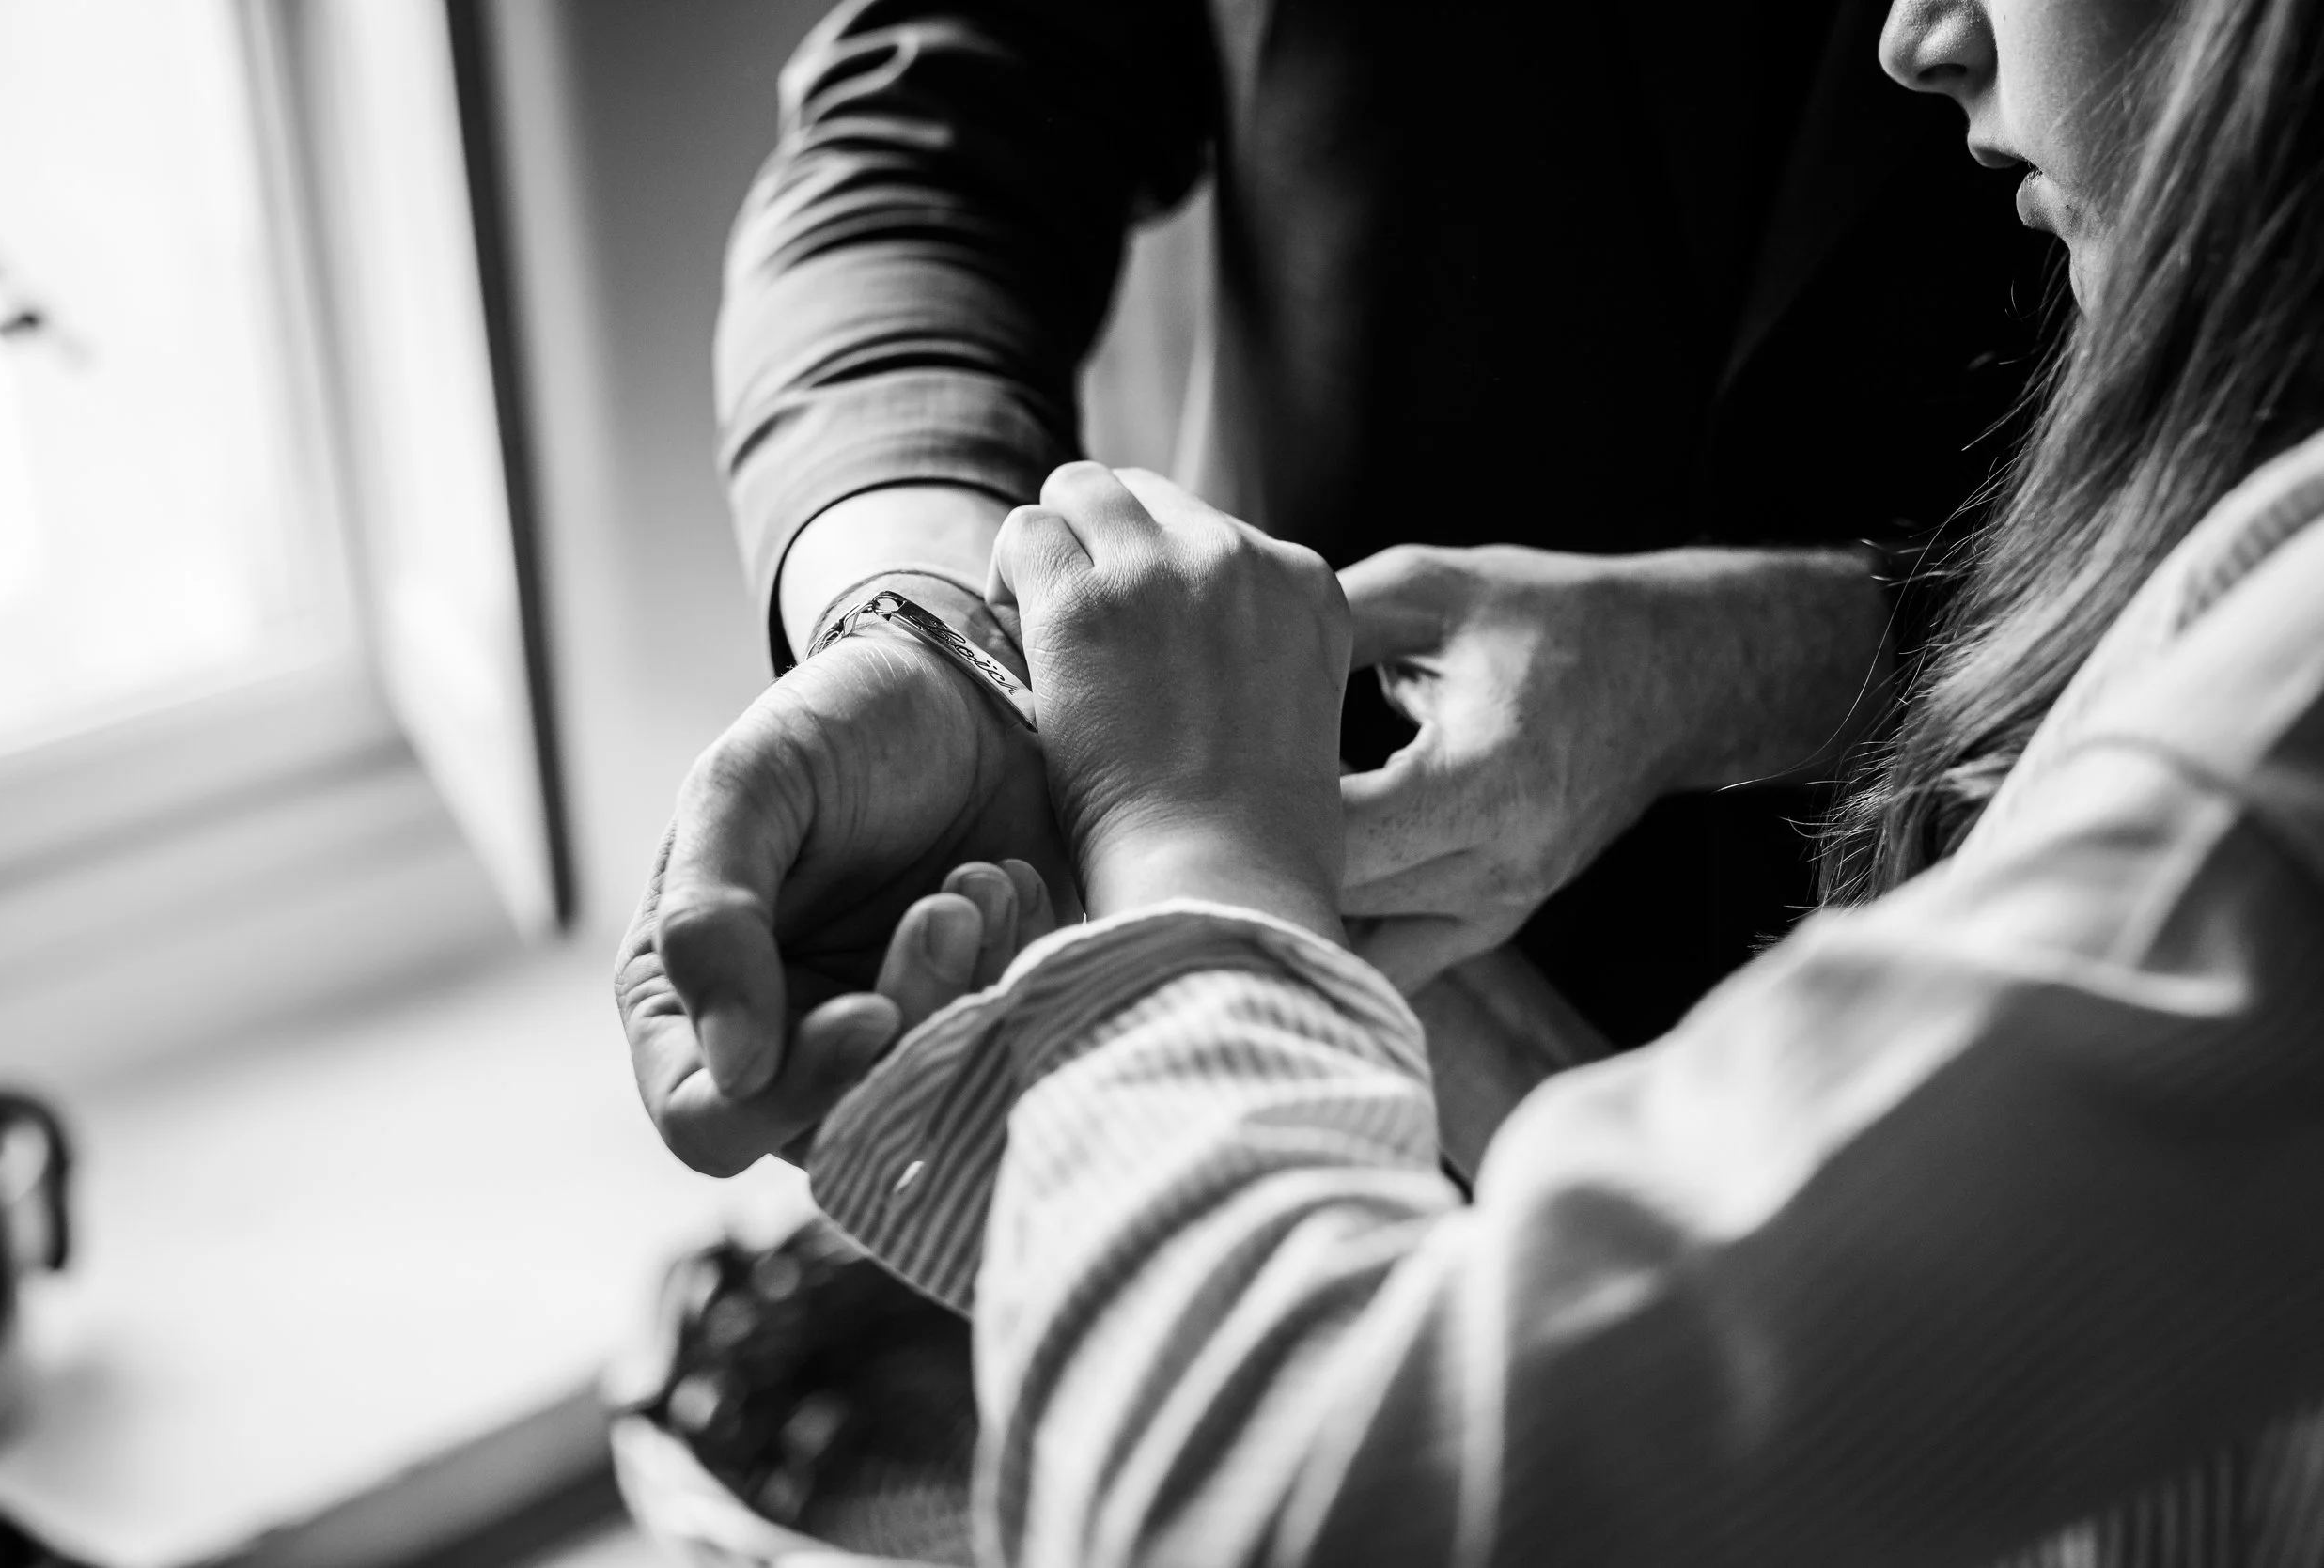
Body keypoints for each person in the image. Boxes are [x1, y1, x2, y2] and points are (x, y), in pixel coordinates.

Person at [796, 0, 2324, 1560]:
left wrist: (1180, 843)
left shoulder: (2258, 771)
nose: (1910, 38)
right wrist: (959, 666)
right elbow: (931, 115)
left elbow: (1256, 1501)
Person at [615, 0, 2056, 1184]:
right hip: (1294, 1016)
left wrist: (1777, 662)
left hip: (2006, 1027)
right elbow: (925, 131)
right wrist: (927, 624)